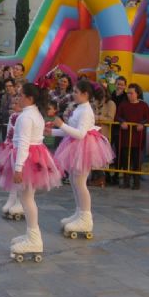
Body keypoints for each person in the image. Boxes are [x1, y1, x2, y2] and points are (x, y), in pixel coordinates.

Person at [0, 84, 62, 262]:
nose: (18, 98)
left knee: (26, 198)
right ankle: (31, 234)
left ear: (30, 98)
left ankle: (34, 238)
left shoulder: (26, 117)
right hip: (34, 155)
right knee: (27, 197)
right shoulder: (34, 114)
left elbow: (23, 143)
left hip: (28, 157)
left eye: (21, 95)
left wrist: (18, 168)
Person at [50, 80, 115, 238]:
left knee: (80, 182)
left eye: (76, 92)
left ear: (85, 95)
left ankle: (86, 218)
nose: (73, 94)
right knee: (74, 180)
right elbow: (70, 131)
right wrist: (51, 132)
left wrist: (61, 124)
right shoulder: (80, 108)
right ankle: (79, 213)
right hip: (75, 145)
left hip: (84, 147)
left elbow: (80, 133)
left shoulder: (86, 111)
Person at [0, 94, 24, 220]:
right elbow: (9, 131)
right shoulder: (13, 116)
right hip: (11, 146)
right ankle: (12, 197)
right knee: (10, 174)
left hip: (21, 148)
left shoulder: (24, 117)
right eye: (13, 103)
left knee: (20, 177)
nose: (14, 106)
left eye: (17, 103)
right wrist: (6, 143)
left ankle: (21, 201)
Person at [115, 83, 149, 190]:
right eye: (128, 93)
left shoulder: (143, 105)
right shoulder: (123, 104)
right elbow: (117, 116)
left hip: (138, 138)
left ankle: (136, 182)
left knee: (136, 160)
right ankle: (126, 181)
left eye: (131, 93)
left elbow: (148, 118)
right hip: (126, 137)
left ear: (137, 93)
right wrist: (122, 121)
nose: (129, 95)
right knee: (125, 159)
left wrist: (142, 123)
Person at [90, 84, 116, 187]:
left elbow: (110, 118)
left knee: (101, 158)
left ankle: (101, 178)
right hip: (93, 134)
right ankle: (96, 178)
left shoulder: (110, 103)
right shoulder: (93, 103)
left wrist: (97, 117)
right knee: (93, 157)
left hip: (104, 134)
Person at [108, 76, 128, 185]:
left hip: (119, 127)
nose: (119, 86)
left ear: (125, 86)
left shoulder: (126, 97)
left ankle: (116, 175)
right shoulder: (110, 95)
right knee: (107, 150)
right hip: (109, 126)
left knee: (120, 151)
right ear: (115, 84)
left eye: (121, 84)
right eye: (118, 83)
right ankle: (106, 175)